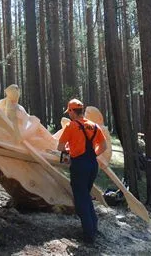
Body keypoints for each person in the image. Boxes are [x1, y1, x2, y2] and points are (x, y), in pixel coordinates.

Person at [57, 98, 107, 244]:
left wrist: (69, 150)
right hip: (92, 165)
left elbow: (60, 147)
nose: (69, 114)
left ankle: (88, 236)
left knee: (81, 200)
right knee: (86, 194)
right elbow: (103, 146)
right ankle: (94, 226)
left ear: (72, 111)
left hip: (79, 165)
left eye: (69, 111)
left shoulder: (71, 126)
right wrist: (92, 155)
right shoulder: (94, 126)